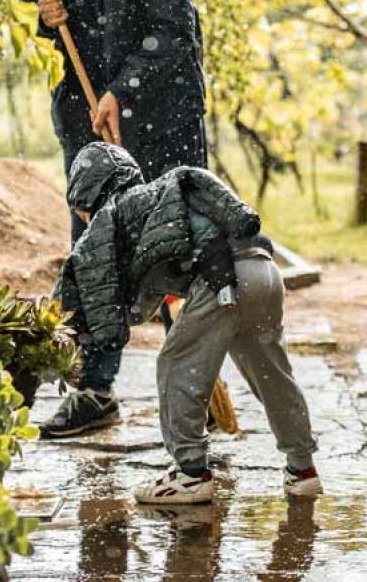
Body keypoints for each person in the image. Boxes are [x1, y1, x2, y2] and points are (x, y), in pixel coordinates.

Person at [16, 0, 208, 437]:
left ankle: (196, 392)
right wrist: (47, 16)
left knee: (174, 245)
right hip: (88, 121)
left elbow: (175, 33)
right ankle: (95, 391)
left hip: (160, 119)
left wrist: (120, 91)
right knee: (95, 249)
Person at [57, 142, 322, 504]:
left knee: (175, 365)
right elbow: (153, 288)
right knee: (271, 373)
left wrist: (94, 327)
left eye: (82, 210)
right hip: (263, 270)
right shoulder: (161, 201)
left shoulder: (112, 215)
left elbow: (93, 275)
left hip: (221, 282)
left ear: (90, 194)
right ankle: (302, 468)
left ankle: (191, 474)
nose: (85, 219)